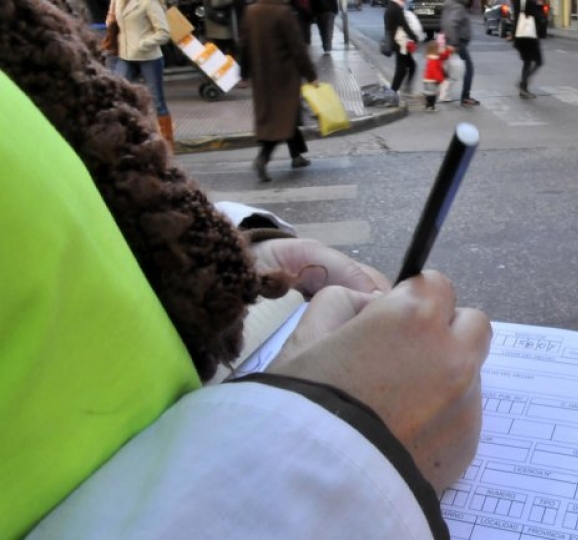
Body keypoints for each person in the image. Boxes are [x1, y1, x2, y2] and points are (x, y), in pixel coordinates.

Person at [0, 2, 491, 539]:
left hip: (189, 433)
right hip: (216, 472)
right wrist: (347, 436)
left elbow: (76, 222)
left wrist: (245, 255)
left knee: (279, 131)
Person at [241, 0, 318, 183]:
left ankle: (296, 156)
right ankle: (263, 158)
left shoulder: (251, 12)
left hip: (262, 76)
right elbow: (297, 47)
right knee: (282, 118)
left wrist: (244, 72)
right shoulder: (282, 12)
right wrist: (310, 75)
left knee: (286, 115)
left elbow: (243, 44)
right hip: (284, 76)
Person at [106, 0, 173, 147]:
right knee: (118, 94)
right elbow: (111, 20)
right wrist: (110, 20)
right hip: (125, 56)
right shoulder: (118, 2)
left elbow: (164, 33)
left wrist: (143, 44)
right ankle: (128, 139)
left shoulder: (148, 3)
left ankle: (168, 144)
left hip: (148, 57)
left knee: (157, 102)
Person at [441, 0, 480, 106]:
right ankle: (465, 96)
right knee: (469, 68)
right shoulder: (458, 7)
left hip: (453, 41)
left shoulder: (449, 4)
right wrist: (454, 43)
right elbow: (451, 24)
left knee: (449, 68)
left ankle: (440, 92)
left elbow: (445, 23)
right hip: (458, 42)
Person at [385, 0, 421, 93]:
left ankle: (403, 89)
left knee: (408, 66)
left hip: (396, 42)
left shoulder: (390, 7)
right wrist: (414, 38)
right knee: (402, 69)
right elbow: (405, 26)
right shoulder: (397, 9)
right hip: (399, 43)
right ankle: (393, 92)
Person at [512, 0, 544, 98]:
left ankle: (523, 88)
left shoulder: (517, 2)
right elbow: (539, 18)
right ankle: (522, 83)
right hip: (530, 38)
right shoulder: (531, 2)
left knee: (527, 62)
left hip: (520, 37)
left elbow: (516, 19)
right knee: (538, 62)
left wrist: (513, 36)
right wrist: (540, 6)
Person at [422, 40, 451, 111]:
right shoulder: (434, 60)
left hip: (428, 79)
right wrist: (441, 79)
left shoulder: (433, 57)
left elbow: (444, 56)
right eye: (439, 47)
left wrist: (447, 50)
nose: (440, 48)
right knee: (432, 94)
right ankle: (430, 106)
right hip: (431, 80)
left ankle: (429, 105)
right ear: (436, 49)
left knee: (430, 94)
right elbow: (435, 71)